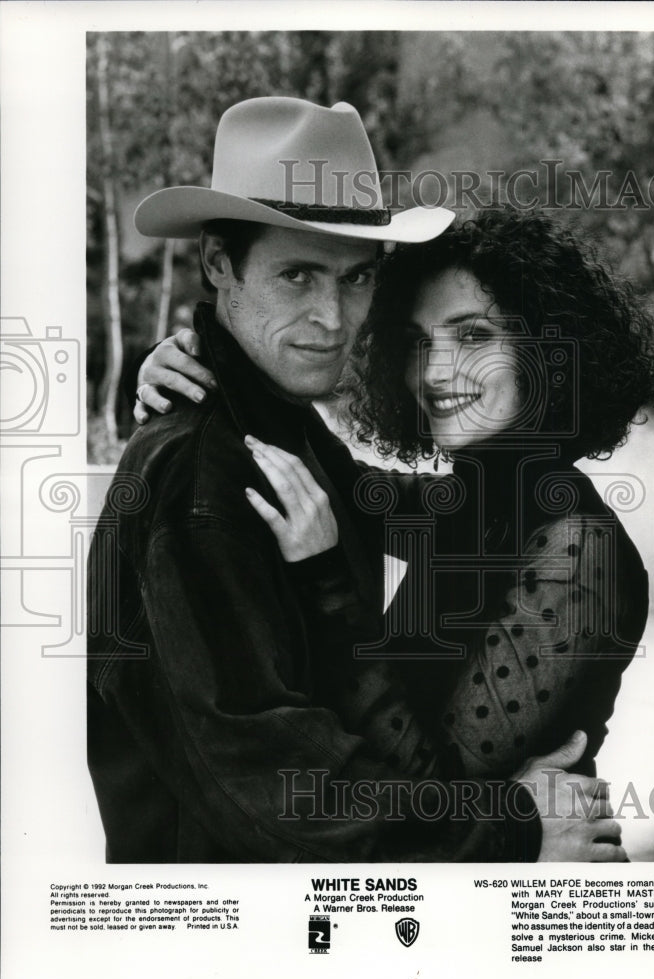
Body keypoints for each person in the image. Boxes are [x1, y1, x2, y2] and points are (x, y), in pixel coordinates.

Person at [89, 97, 617, 864]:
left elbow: (397, 504)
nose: (332, 319)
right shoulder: (202, 475)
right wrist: (513, 828)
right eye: (295, 275)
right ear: (216, 264)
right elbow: (283, 796)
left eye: (357, 278)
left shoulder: (275, 427)